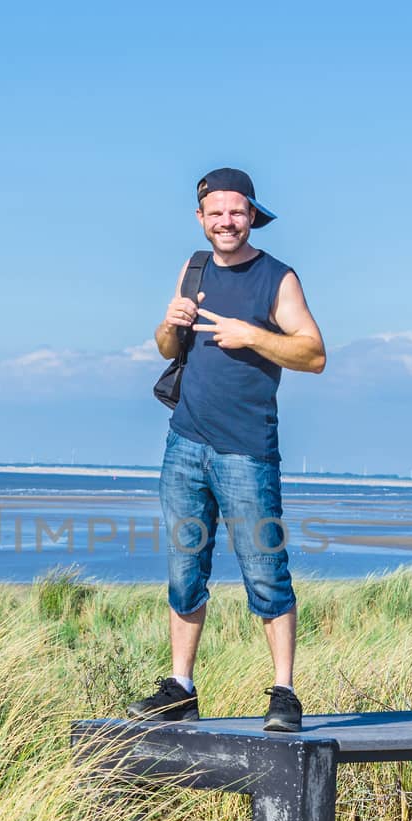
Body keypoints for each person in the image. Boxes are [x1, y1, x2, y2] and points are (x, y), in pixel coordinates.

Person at [126, 167, 326, 732]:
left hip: (248, 452)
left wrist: (253, 336)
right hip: (185, 444)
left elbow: (313, 354)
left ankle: (284, 693)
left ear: (252, 214)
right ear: (201, 218)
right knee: (185, 568)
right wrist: (170, 324)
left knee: (265, 570)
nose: (226, 222)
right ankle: (180, 690)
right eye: (215, 213)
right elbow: (168, 346)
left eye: (235, 212)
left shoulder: (277, 278)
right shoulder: (192, 270)